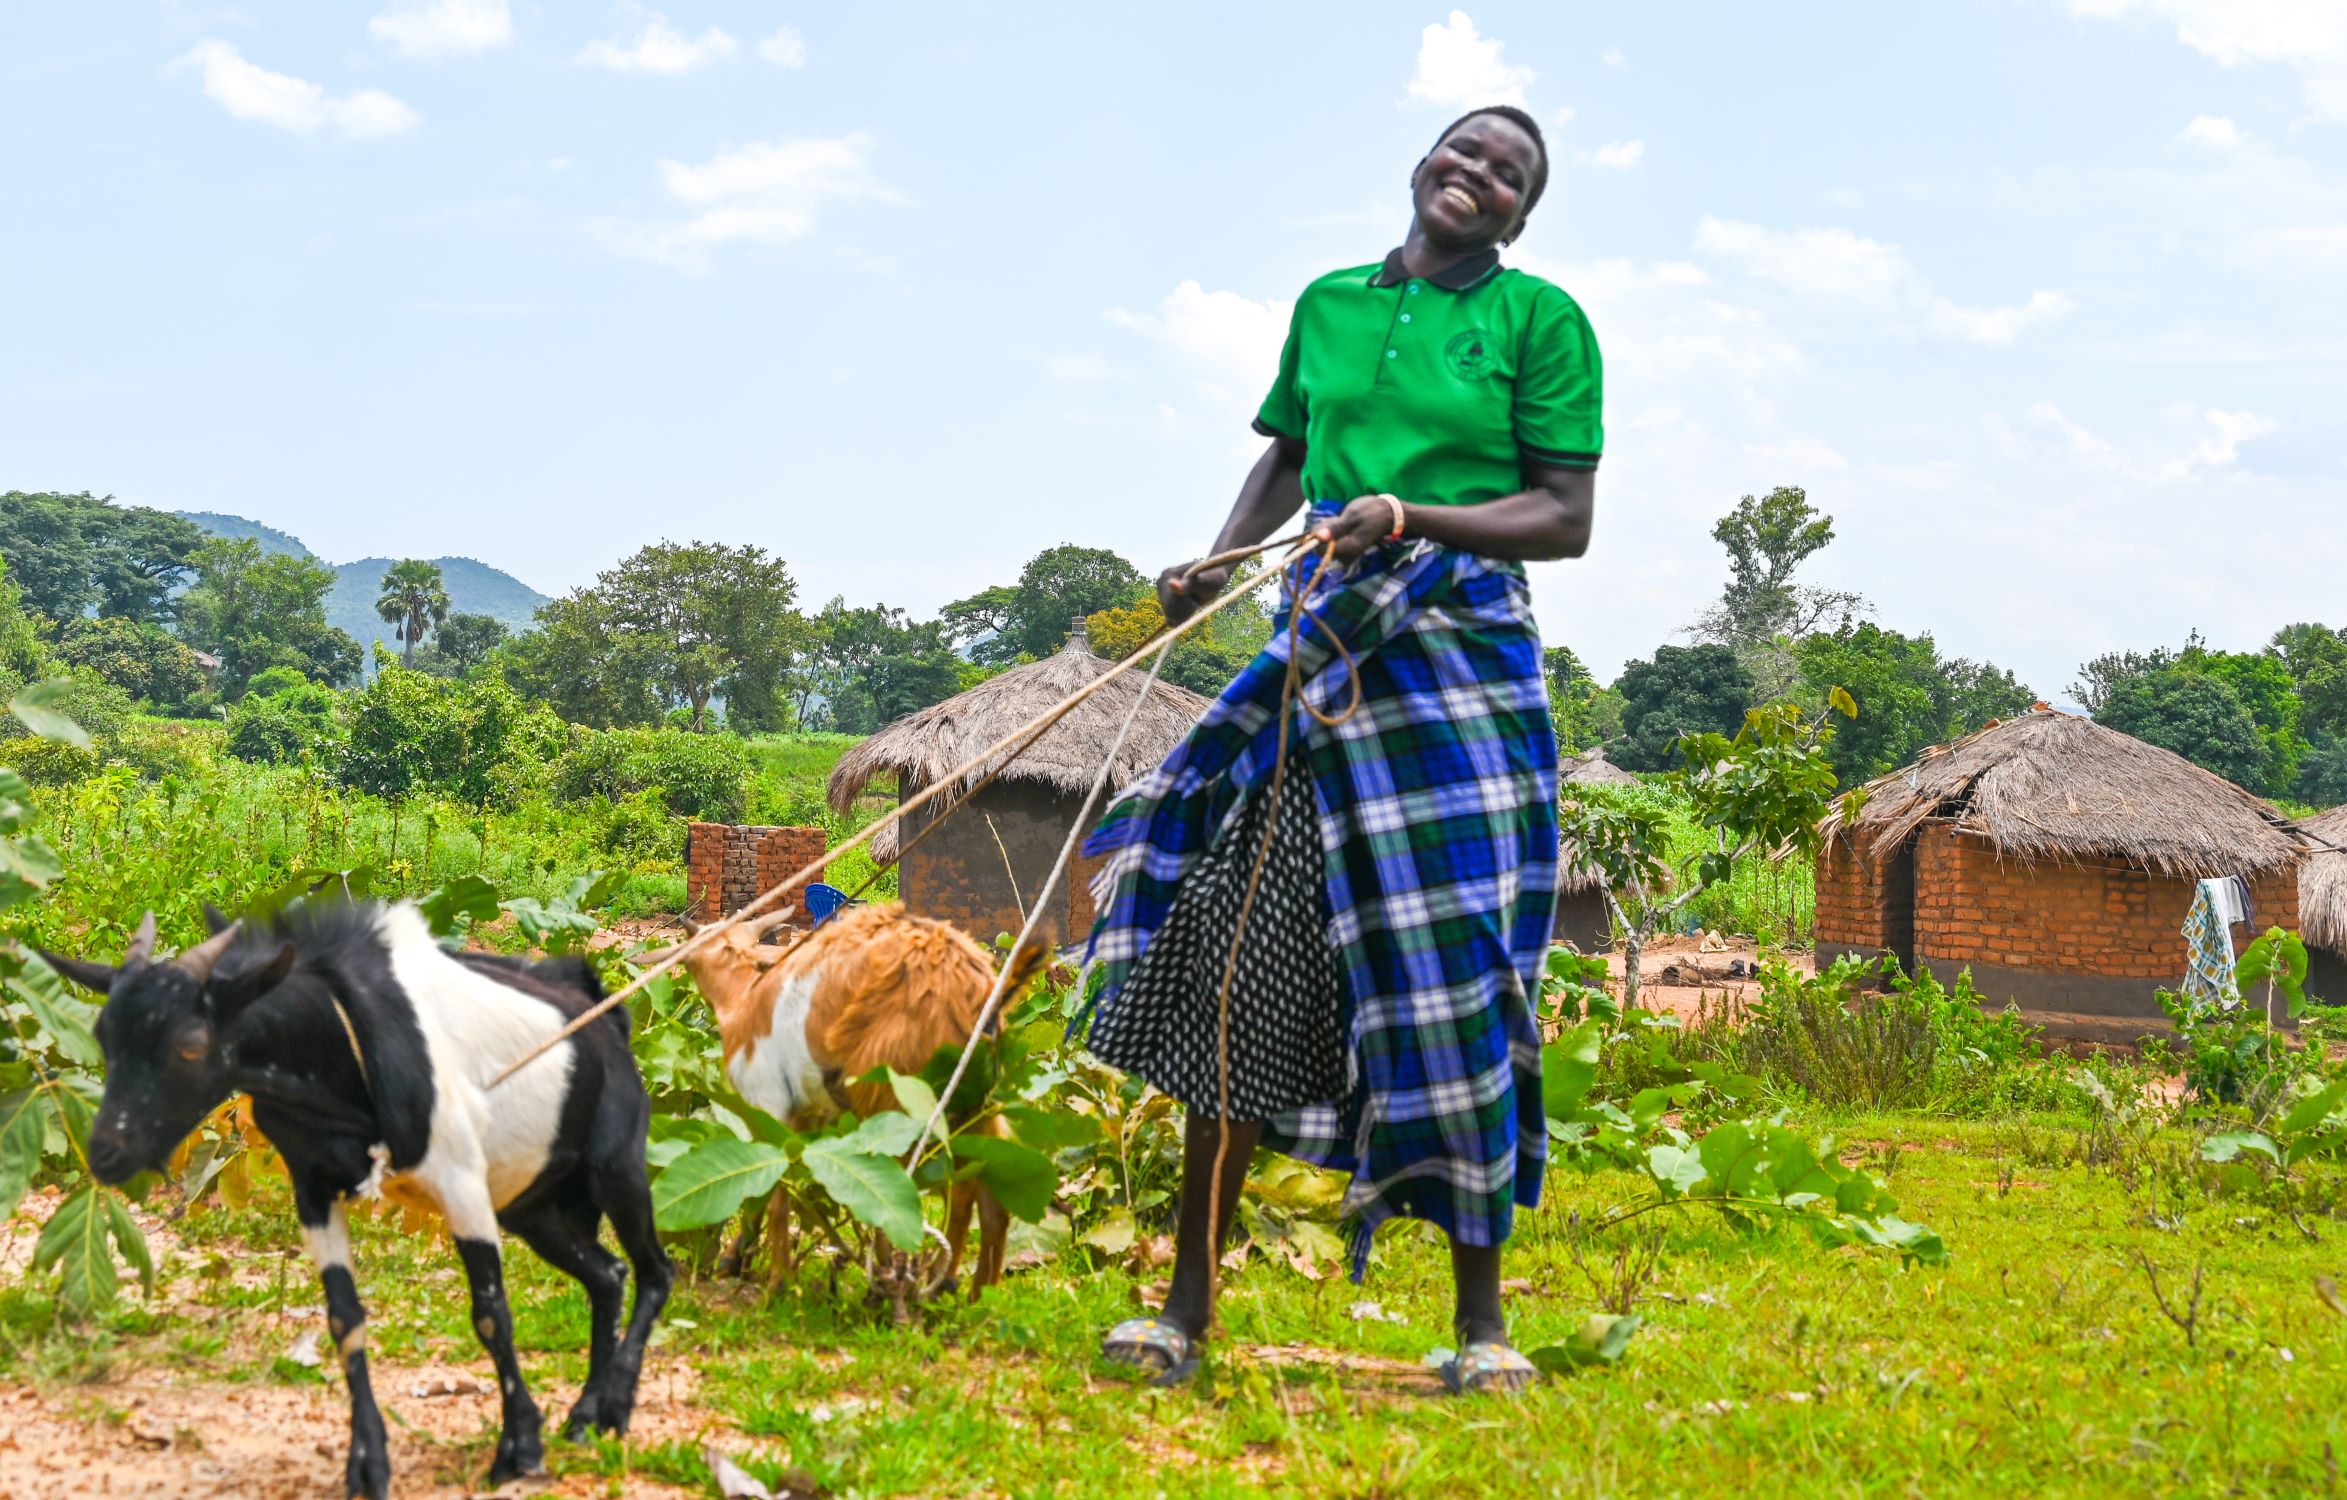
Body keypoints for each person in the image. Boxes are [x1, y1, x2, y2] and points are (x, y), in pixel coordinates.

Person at [1075, 104, 1600, 1395]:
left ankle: (1482, 1329)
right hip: (1323, 646)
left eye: (1507, 173)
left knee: (1460, 975)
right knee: (1242, 955)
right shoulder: (1330, 303)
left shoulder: (1543, 322)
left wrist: (1411, 513)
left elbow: (1566, 516)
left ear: (1523, 215)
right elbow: (1289, 456)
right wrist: (1214, 556)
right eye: (1463, 151)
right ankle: (1184, 1311)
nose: (1475, 175)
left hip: (1457, 657)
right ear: (1423, 164)